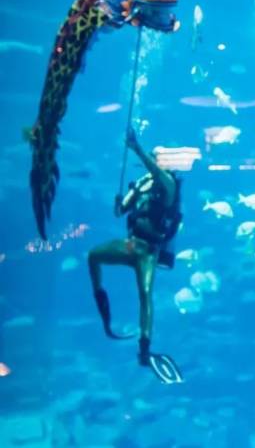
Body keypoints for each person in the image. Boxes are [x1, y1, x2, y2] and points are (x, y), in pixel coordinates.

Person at [87, 128, 183, 376]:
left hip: (148, 251)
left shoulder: (169, 185)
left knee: (145, 293)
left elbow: (158, 173)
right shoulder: (142, 184)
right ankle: (105, 314)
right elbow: (121, 211)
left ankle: (144, 347)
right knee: (93, 256)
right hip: (131, 244)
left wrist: (136, 147)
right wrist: (118, 203)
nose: (156, 160)